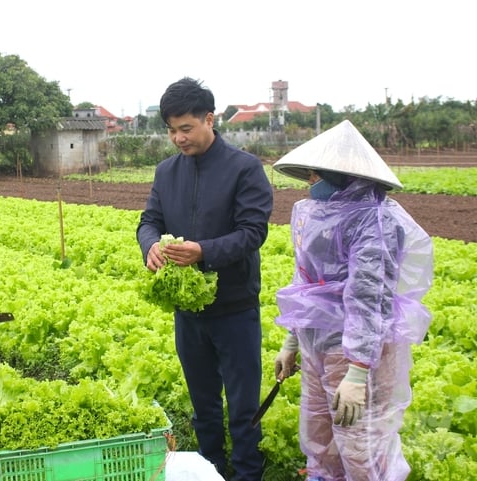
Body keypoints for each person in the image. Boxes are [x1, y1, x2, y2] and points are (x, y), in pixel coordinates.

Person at [272, 119, 434, 481]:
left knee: (360, 445)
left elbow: (369, 297)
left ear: (340, 175)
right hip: (319, 344)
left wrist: (359, 371)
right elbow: (307, 284)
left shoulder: (374, 220)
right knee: (319, 433)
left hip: (355, 351)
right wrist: (291, 342)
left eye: (316, 176)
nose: (310, 182)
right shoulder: (316, 214)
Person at [136, 77, 273, 481]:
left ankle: (248, 475)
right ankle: (211, 471)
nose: (178, 138)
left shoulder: (245, 169)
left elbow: (253, 233)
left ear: (209, 119)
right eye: (171, 130)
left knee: (244, 407)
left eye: (186, 128)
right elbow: (150, 221)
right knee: (204, 405)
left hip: (234, 309)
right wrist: (151, 247)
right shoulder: (166, 172)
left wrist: (204, 252)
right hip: (189, 314)